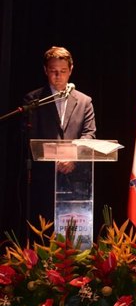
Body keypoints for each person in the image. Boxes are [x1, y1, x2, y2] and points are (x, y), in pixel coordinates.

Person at [23, 46, 96, 230]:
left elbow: (89, 134)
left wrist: (72, 157)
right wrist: (55, 158)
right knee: (44, 234)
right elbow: (31, 137)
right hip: (44, 178)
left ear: (71, 70)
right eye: (53, 71)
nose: (58, 76)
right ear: (45, 70)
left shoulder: (84, 101)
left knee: (72, 236)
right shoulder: (34, 101)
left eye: (63, 71)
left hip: (77, 179)